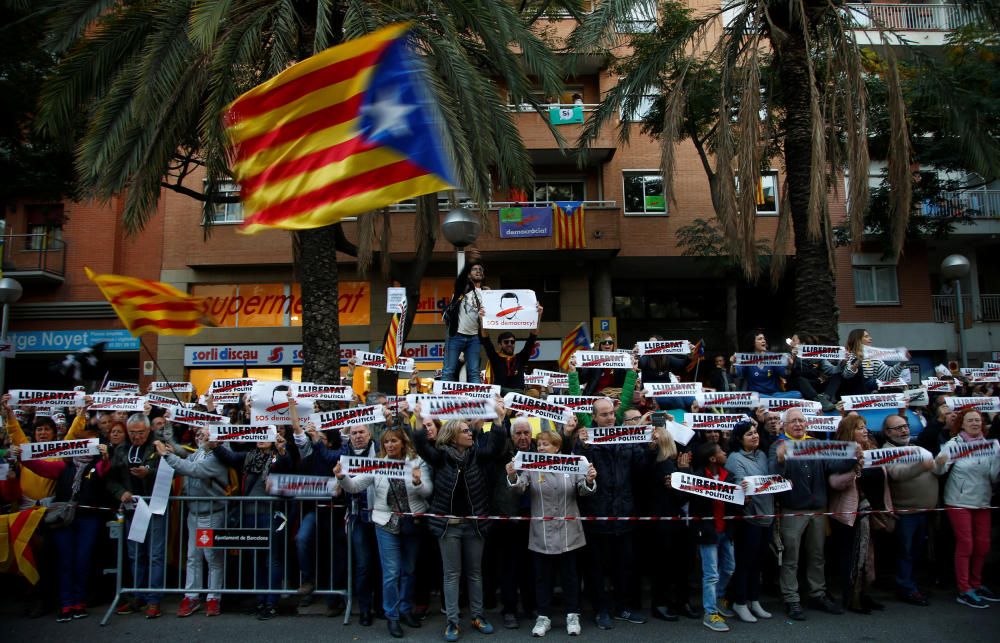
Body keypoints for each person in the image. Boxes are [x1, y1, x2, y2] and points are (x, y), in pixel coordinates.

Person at [414, 404, 507, 642]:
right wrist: (418, 420)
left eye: (468, 430)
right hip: (449, 526)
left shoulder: (476, 454)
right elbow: (422, 446)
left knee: (475, 573)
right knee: (451, 575)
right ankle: (452, 621)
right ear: (453, 437)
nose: (470, 434)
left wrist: (499, 420)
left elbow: (496, 447)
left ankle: (478, 616)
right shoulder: (441, 457)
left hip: (474, 525)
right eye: (465, 431)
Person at [335, 428, 433, 638]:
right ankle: (392, 616)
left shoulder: (416, 462)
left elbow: (427, 492)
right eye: (386, 442)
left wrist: (417, 482)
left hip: (412, 523)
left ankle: (405, 609)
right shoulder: (377, 464)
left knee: (409, 570)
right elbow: (354, 486)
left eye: (394, 441)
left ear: (403, 442)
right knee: (391, 573)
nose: (390, 445)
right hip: (385, 524)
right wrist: (342, 477)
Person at [507, 429, 596, 637]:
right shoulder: (531, 466)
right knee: (542, 578)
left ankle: (572, 615)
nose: (541, 448)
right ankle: (543, 617)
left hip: (569, 532)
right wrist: (512, 475)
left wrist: (590, 479)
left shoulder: (572, 463)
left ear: (557, 447)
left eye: (545, 444)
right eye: (539, 445)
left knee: (570, 578)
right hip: (542, 533)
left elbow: (583, 489)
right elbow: (519, 487)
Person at [13, 439, 112, 621]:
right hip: (64, 519)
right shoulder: (63, 467)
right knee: (65, 561)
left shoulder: (96, 466)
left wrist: (106, 456)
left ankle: (79, 602)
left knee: (82, 561)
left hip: (88, 519)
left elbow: (105, 469)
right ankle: (66, 604)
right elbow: (40, 467)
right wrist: (23, 456)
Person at [768, 408, 842, 620]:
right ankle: (791, 598)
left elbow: (833, 465)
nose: (798, 424)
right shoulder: (778, 445)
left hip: (817, 510)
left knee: (817, 556)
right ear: (784, 426)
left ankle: (817, 593)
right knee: (791, 558)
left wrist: (854, 458)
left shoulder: (815, 443)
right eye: (793, 421)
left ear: (807, 424)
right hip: (793, 511)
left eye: (801, 420)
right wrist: (780, 460)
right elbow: (772, 475)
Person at [154, 426, 231, 618]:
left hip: (212, 513)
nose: (200, 436)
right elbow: (185, 459)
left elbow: (194, 470)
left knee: (212, 557)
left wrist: (167, 455)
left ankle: (213, 597)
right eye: (199, 434)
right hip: (194, 513)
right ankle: (191, 596)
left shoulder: (218, 456)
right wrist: (170, 444)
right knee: (193, 556)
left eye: (204, 434)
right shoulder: (199, 452)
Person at [933, 409, 1000, 608]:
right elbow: (938, 470)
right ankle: (964, 589)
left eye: (978, 420)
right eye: (970, 420)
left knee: (983, 544)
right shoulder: (953, 444)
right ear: (961, 424)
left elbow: (994, 477)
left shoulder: (992, 445)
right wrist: (939, 462)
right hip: (958, 500)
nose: (975, 423)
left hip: (983, 500)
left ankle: (976, 584)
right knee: (966, 544)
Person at [827, 415, 891, 613]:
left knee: (868, 555)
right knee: (851, 556)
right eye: (859, 428)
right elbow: (835, 483)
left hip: (871, 511)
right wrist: (855, 468)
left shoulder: (872, 449)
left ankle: (864, 593)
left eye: (865, 427)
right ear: (849, 432)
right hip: (849, 513)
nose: (865, 431)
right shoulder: (840, 452)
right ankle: (851, 597)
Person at [106, 412, 166, 618]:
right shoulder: (121, 449)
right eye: (132, 432)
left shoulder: (158, 445)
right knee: (135, 554)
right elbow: (111, 479)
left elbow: (171, 468)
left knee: (155, 554)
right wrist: (120, 492)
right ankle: (137, 596)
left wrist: (149, 473)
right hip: (133, 507)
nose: (136, 436)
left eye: (140, 432)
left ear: (148, 430)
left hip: (155, 505)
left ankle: (154, 599)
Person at [485, 416, 536, 629]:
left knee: (531, 567)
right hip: (508, 518)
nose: (523, 437)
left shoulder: (540, 451)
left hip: (534, 518)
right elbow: (492, 445)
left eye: (526, 433)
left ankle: (531, 606)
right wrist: (499, 418)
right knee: (509, 567)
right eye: (518, 433)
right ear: (511, 435)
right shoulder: (502, 451)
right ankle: (509, 609)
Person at [883, 413, 938, 606]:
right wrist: (922, 466)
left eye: (905, 426)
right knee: (905, 552)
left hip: (925, 511)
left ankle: (913, 585)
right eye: (898, 428)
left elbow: (935, 468)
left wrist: (940, 462)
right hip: (906, 513)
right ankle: (906, 588)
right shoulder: (887, 451)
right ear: (887, 432)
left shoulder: (916, 447)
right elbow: (897, 474)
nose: (904, 430)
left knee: (917, 551)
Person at [725, 421, 775, 623]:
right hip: (749, 518)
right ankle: (740, 602)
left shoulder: (762, 455)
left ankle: (754, 600)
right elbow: (738, 484)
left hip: (767, 516)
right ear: (739, 439)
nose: (754, 436)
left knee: (758, 562)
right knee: (745, 562)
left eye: (755, 432)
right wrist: (744, 489)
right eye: (749, 434)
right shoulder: (734, 458)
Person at [644, 423, 695, 622]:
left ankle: (673, 602)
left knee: (675, 565)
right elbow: (681, 497)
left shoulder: (668, 464)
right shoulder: (662, 466)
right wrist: (685, 473)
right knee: (666, 566)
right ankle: (664, 603)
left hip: (672, 522)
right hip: (664, 523)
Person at [442, 248, 485, 383]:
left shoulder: (487, 294)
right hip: (456, 335)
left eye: (480, 270)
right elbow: (461, 277)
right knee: (449, 371)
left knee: (474, 372)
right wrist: (469, 262)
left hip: (474, 338)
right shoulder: (462, 288)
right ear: (468, 274)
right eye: (475, 269)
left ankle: (476, 397)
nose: (478, 271)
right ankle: (443, 397)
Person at [478, 303, 542, 393]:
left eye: (512, 342)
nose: (509, 344)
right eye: (506, 342)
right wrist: (482, 319)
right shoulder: (495, 358)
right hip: (501, 395)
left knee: (534, 393)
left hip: (518, 396)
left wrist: (538, 315)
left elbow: (532, 337)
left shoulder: (520, 358)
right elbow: (486, 340)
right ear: (500, 344)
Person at [731, 331, 801, 398]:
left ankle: (770, 400)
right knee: (755, 397)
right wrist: (733, 364)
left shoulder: (773, 357)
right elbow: (735, 373)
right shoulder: (746, 358)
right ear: (753, 342)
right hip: (756, 396)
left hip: (774, 395)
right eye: (760, 339)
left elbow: (785, 374)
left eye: (764, 339)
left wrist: (789, 366)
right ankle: (770, 400)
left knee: (797, 394)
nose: (764, 341)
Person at [841, 328, 909, 395]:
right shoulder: (847, 355)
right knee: (871, 380)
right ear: (858, 340)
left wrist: (902, 364)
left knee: (898, 391)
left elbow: (888, 376)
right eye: (866, 337)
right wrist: (858, 361)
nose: (870, 338)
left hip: (870, 390)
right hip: (852, 392)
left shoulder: (873, 357)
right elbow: (847, 375)